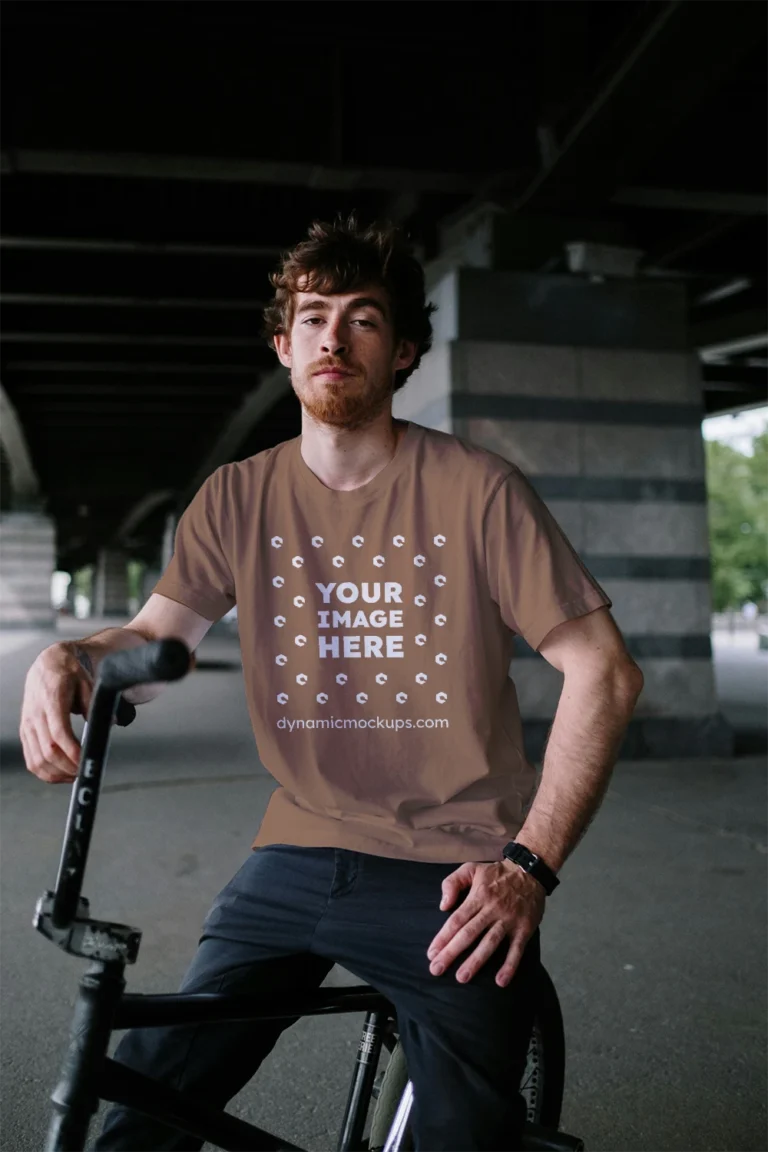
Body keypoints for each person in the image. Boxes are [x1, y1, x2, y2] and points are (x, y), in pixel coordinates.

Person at [21, 215, 644, 1152]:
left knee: (463, 1135)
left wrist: (528, 869)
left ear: (402, 353)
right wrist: (66, 658)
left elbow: (605, 672)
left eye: (362, 319)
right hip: (298, 850)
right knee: (143, 1098)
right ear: (283, 345)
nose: (333, 337)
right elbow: (158, 645)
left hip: (454, 868)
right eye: (313, 317)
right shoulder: (237, 496)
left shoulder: (479, 491)